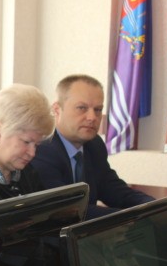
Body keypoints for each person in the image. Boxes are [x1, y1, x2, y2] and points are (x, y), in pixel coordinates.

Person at [31, 74, 154, 219]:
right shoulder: (41, 149)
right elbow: (68, 209)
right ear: (57, 109)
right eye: (82, 108)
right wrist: (131, 217)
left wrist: (153, 206)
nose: (92, 117)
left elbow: (114, 190)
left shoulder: (94, 145)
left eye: (97, 109)